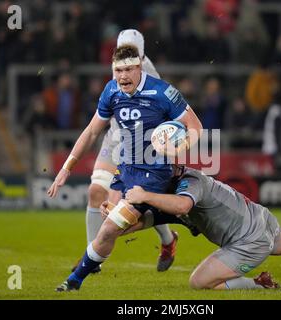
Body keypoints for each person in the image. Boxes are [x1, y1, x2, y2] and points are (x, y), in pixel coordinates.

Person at [50, 44, 203, 291]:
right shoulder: (111, 91)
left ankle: (74, 282)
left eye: (129, 69)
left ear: (139, 68)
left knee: (111, 227)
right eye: (118, 70)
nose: (123, 76)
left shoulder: (163, 92)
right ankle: (171, 215)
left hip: (154, 172)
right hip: (125, 169)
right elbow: (91, 132)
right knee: (111, 220)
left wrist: (178, 147)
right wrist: (67, 167)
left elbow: (196, 127)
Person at [115, 166, 281, 290]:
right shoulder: (169, 195)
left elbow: (181, 206)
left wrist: (144, 195)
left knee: (199, 283)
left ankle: (259, 285)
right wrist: (115, 219)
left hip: (249, 241)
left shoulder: (189, 184)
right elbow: (144, 222)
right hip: (260, 219)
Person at [81, 29, 181, 273]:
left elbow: (167, 119)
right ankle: (91, 260)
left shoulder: (151, 76)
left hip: (141, 145)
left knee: (136, 202)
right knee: (95, 192)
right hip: (115, 138)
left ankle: (168, 240)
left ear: (141, 54)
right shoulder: (118, 66)